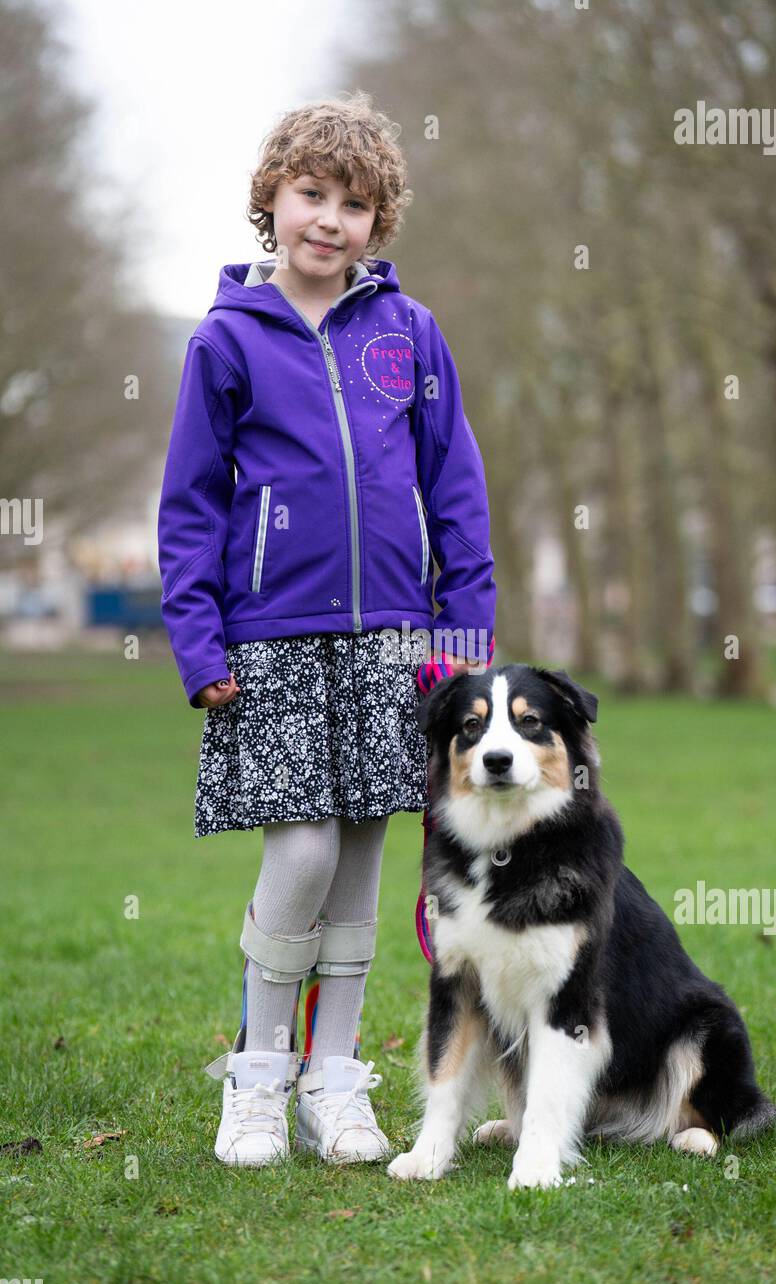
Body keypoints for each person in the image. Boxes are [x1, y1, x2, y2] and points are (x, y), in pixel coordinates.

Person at [157, 91, 496, 1169]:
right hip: (269, 639)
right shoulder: (226, 341)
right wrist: (198, 643)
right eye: (311, 194)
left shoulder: (409, 333)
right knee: (299, 851)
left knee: (358, 862)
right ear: (272, 201)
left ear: (376, 222)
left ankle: (335, 1083)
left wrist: (467, 633)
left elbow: (456, 488)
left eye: (354, 204)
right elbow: (190, 505)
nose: (329, 219)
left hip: (397, 643)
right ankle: (257, 1076)